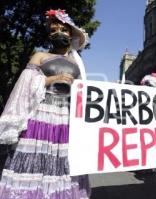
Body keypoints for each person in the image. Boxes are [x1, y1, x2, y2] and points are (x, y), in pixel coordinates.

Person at [0, 9, 90, 199]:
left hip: (65, 117)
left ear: (71, 35)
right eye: (54, 30)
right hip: (40, 113)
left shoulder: (78, 63)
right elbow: (24, 86)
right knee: (34, 156)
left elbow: (84, 93)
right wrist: (51, 79)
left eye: (64, 30)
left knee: (62, 159)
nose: (59, 33)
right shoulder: (39, 56)